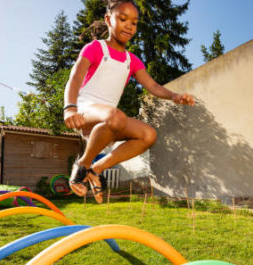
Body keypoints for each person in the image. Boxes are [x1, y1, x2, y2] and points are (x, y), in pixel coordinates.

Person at [63, 0, 195, 203]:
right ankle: (82, 165)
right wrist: (70, 108)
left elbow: (153, 87)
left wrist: (174, 96)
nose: (129, 26)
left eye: (134, 23)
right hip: (86, 111)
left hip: (108, 121)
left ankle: (96, 169)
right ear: (108, 20)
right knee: (115, 116)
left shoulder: (131, 60)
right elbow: (75, 77)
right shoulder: (96, 48)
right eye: (123, 19)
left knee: (148, 135)